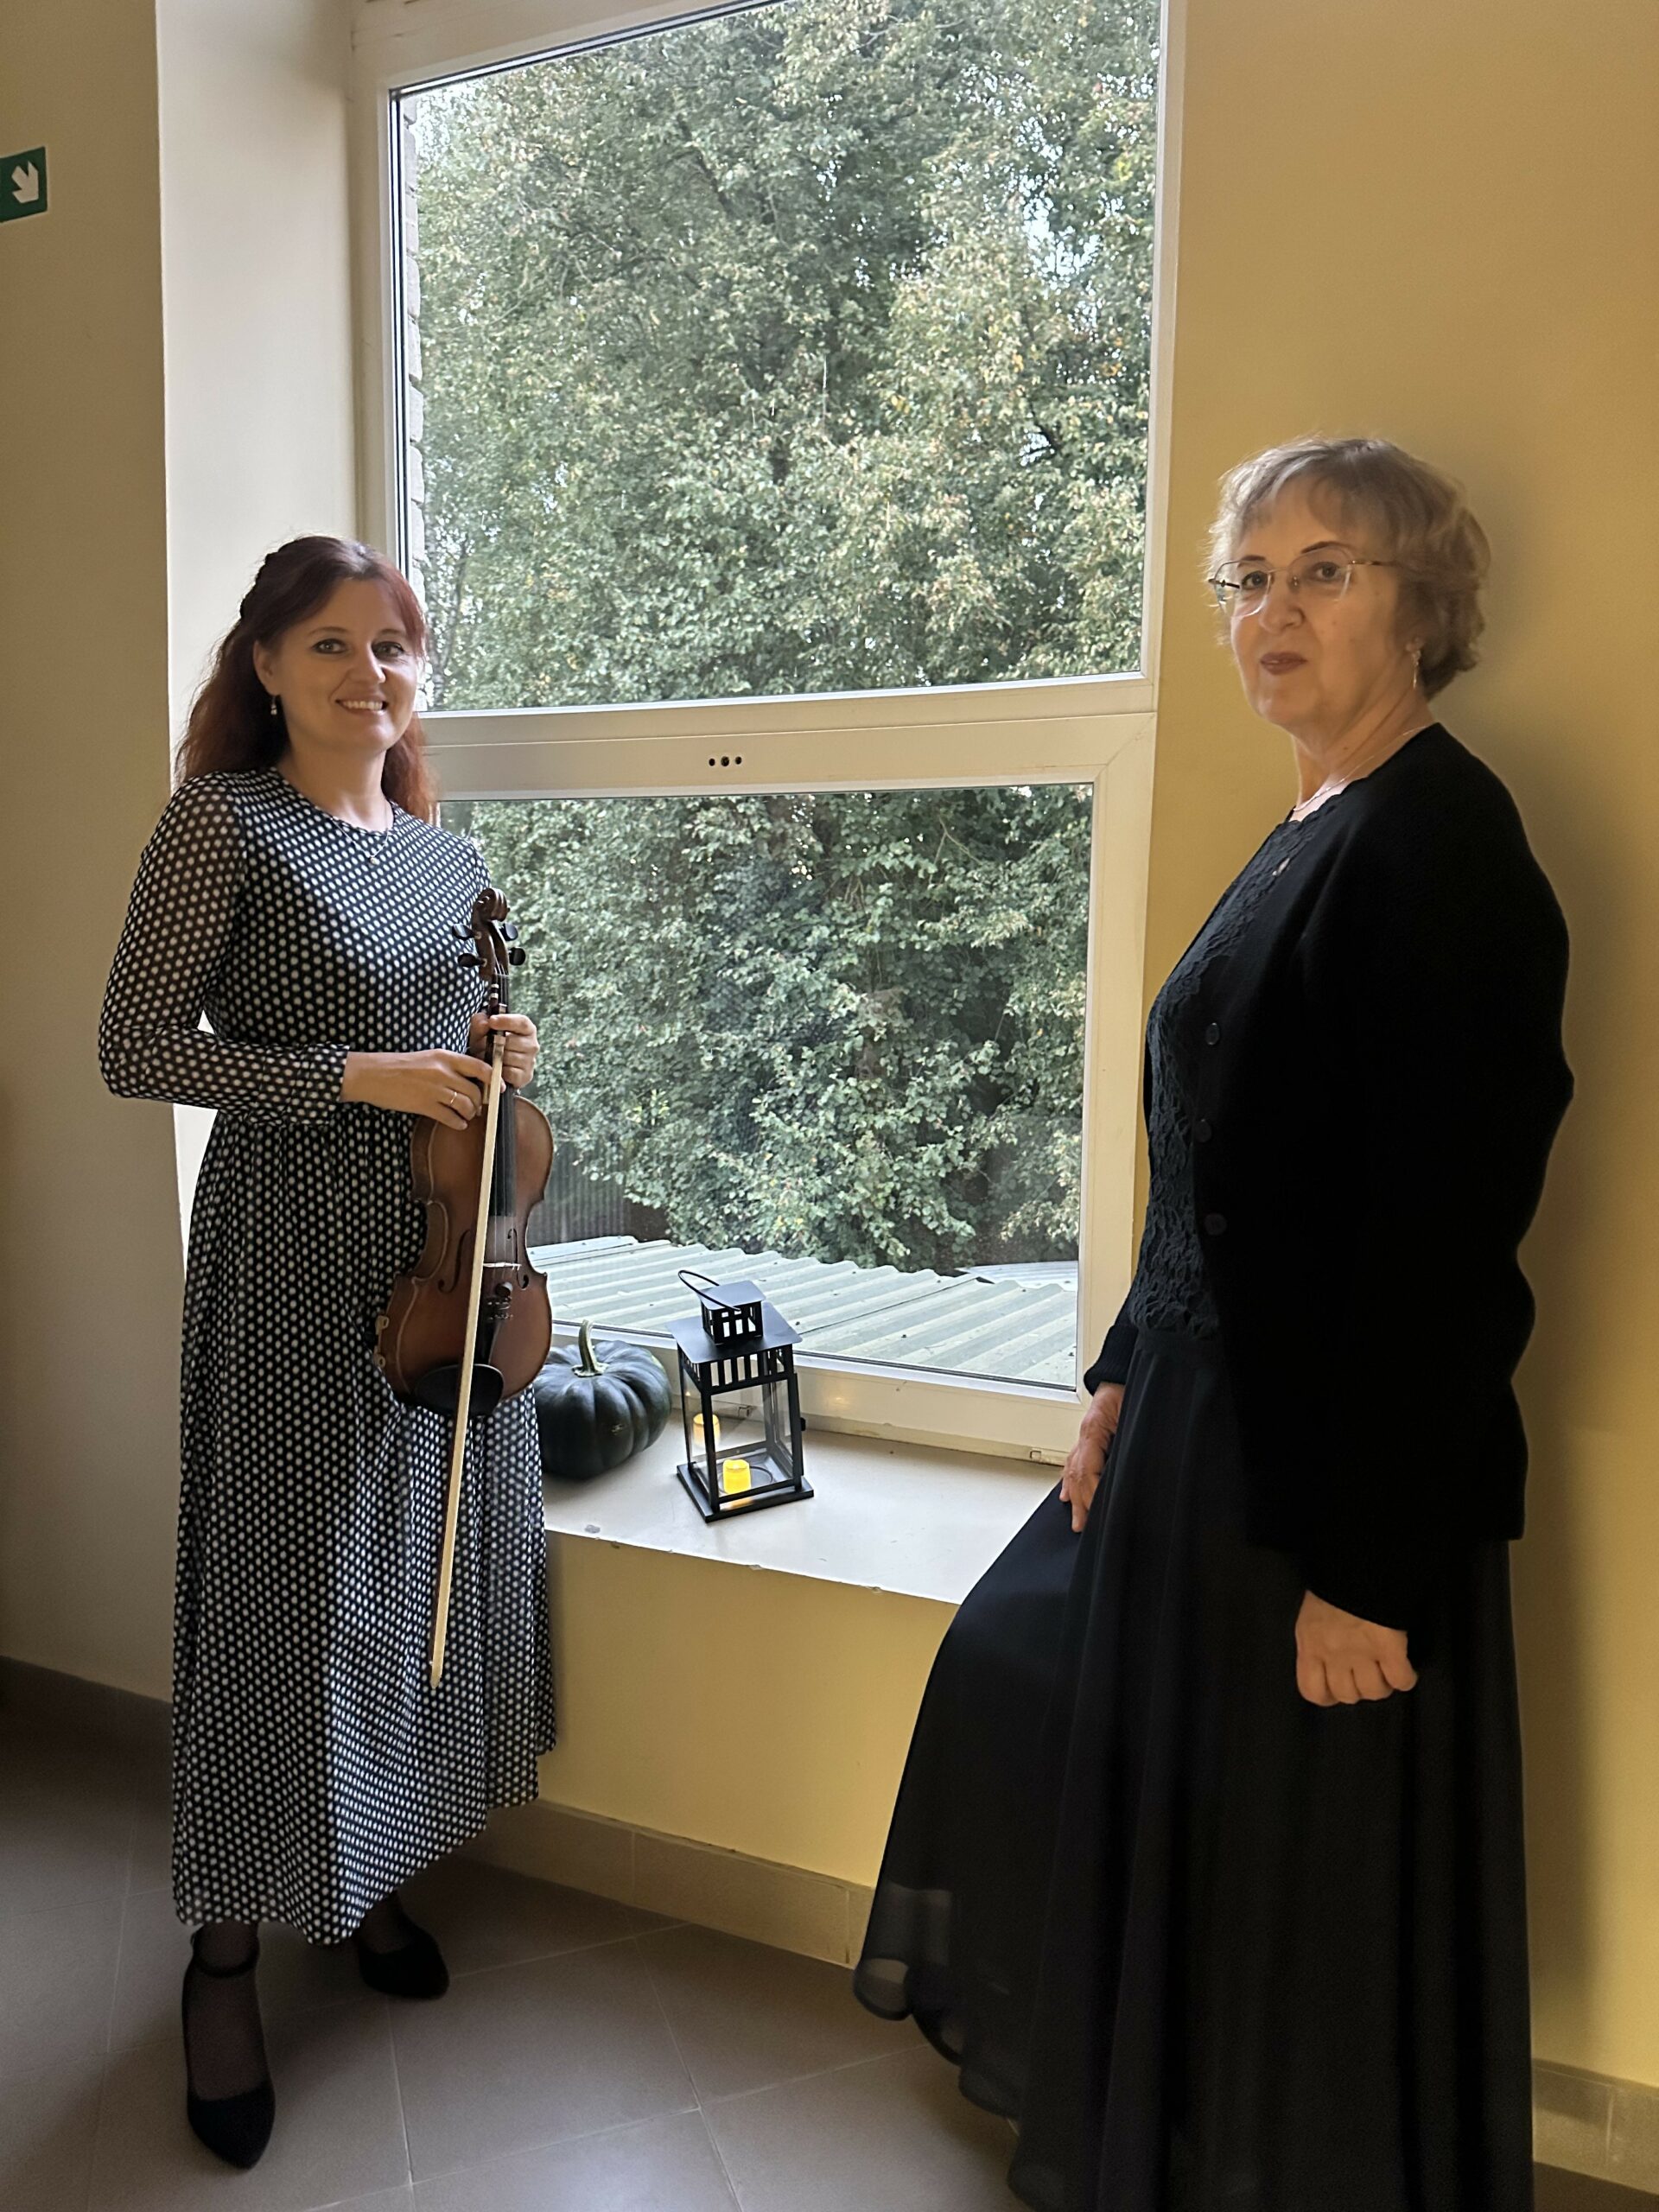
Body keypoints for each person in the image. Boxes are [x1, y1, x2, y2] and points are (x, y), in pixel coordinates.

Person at [854, 437, 1573, 2212]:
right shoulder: (1318, 823)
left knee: (1298, 1875)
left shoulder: (1446, 847)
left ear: (1423, 603)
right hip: (1199, 1417)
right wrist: (1117, 1372)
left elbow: (1443, 1246)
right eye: (1249, 579)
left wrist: (1370, 1570)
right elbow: (1219, 1173)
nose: (1272, 612)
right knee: (1137, 1775)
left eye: (1324, 572)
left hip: (1323, 1474)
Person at [99, 537, 555, 2168]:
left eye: (395, 646)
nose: (372, 674)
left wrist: (495, 1051)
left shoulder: (443, 856)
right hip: (291, 1251)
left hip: (442, 1259)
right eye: (333, 646)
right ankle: (225, 1955)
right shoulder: (222, 824)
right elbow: (130, 1045)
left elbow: (454, 1051)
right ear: (269, 666)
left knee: (416, 1577)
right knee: (286, 1592)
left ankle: (365, 1872)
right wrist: (353, 1076)